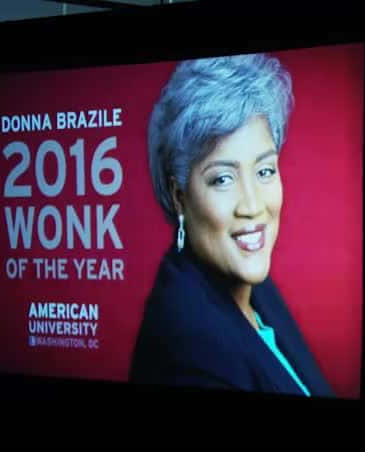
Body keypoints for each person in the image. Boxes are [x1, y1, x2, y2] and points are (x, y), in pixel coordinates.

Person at [130, 53, 333, 397]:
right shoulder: (188, 354)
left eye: (265, 170)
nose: (253, 206)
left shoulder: (253, 290)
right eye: (223, 178)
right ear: (180, 196)